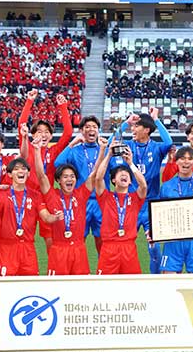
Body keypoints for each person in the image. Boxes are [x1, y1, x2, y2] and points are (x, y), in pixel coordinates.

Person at [116, 109, 173, 273]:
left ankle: (155, 279)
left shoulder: (156, 148)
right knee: (123, 242)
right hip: (131, 203)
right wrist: (125, 123)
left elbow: (168, 142)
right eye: (132, 126)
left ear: (146, 130)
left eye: (135, 126)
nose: (132, 129)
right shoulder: (128, 146)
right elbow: (111, 144)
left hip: (152, 205)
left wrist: (156, 120)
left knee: (154, 247)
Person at [17, 91, 74, 251]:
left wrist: (63, 107)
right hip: (27, 196)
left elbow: (68, 133)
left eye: (47, 132)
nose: (43, 134)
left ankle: (52, 270)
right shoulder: (27, 148)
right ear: (33, 134)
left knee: (50, 238)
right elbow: (22, 123)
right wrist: (29, 101)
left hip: (47, 197)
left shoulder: (54, 150)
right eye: (39, 131)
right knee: (23, 235)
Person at [0, 157, 55, 277]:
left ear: (28, 173)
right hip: (7, 249)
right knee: (4, 287)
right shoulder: (1, 195)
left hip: (28, 249)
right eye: (16, 169)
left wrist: (57, 217)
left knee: (29, 287)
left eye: (24, 169)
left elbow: (46, 217)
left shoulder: (36, 196)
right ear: (9, 174)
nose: (21, 171)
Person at [34, 143, 96, 276]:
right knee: (57, 289)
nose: (70, 179)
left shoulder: (81, 194)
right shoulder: (52, 195)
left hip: (79, 249)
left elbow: (94, 175)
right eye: (65, 176)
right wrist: (37, 150)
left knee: (80, 290)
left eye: (72, 176)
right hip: (59, 250)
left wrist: (103, 151)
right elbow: (41, 176)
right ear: (58, 180)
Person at [92, 139, 147, 275]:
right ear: (113, 180)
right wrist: (109, 155)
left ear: (130, 181)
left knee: (132, 287)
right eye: (120, 173)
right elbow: (98, 179)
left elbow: (144, 186)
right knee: (105, 288)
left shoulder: (135, 198)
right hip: (109, 248)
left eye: (127, 174)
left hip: (129, 248)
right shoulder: (106, 197)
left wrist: (130, 164)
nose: (124, 174)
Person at [54, 116, 105, 253]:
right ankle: (77, 269)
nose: (91, 129)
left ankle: (103, 272)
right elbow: (58, 163)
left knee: (102, 241)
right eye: (87, 127)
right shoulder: (76, 150)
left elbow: (116, 171)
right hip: (80, 202)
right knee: (78, 238)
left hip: (101, 202)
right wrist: (72, 143)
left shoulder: (104, 150)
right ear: (82, 131)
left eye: (94, 127)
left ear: (98, 131)